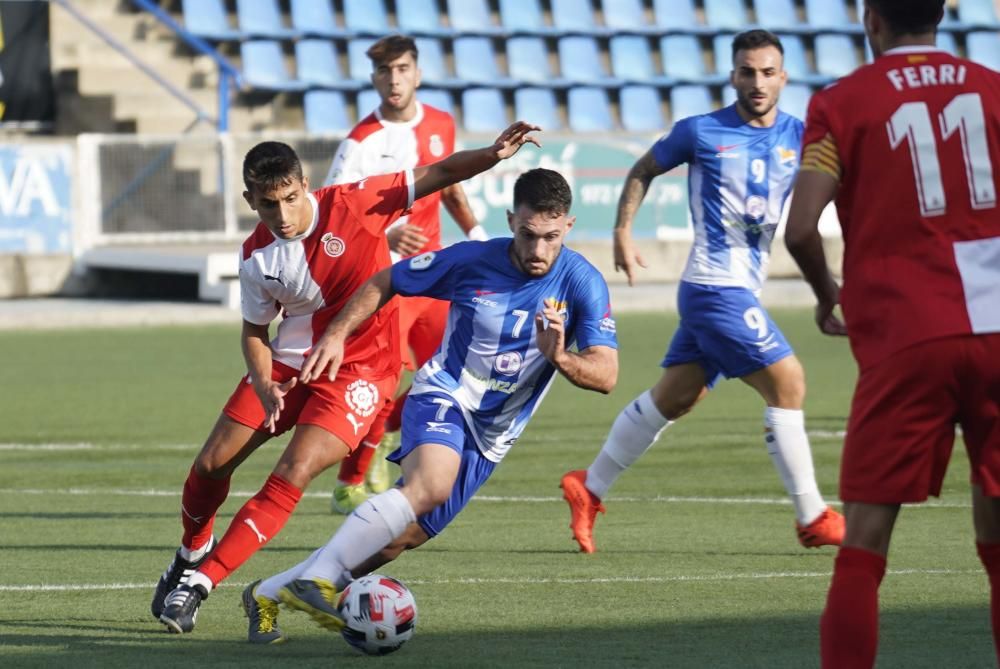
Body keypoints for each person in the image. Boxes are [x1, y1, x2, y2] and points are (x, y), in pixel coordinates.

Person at [152, 120, 542, 636]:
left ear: (305, 185)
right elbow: (254, 332)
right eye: (270, 205)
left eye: (291, 199)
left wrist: (494, 154)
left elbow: (441, 171)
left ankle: (200, 584)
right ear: (251, 200)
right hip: (289, 366)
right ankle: (190, 550)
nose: (283, 215)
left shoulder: (359, 201)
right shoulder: (256, 256)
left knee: (293, 471)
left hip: (362, 371)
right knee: (209, 466)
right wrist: (266, 382)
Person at [242, 168, 619, 642]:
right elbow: (388, 279)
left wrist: (558, 355)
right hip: (445, 394)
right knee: (431, 485)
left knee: (398, 540)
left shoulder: (583, 282)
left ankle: (267, 593)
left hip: (493, 437)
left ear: (568, 226)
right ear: (510, 221)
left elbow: (606, 376)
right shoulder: (471, 261)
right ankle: (319, 577)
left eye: (549, 237)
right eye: (527, 234)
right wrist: (336, 333)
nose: (537, 250)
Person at [560, 29, 845, 554]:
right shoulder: (702, 132)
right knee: (789, 384)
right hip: (715, 288)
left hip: (737, 291)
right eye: (746, 71)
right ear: (731, 75)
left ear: (783, 76)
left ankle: (588, 485)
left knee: (677, 397)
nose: (756, 82)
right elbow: (645, 168)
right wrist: (623, 230)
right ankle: (812, 517)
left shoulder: (800, 137)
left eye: (767, 72)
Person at [783, 1, 1000, 666]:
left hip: (910, 334)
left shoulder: (844, 102)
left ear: (870, 18)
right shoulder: (992, 88)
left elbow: (799, 229)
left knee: (865, 544)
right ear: (940, 15)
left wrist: (829, 294)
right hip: (998, 330)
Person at [324, 35, 485, 515]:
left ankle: (387, 442)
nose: (393, 80)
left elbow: (450, 187)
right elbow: (334, 212)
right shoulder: (360, 142)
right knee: (380, 381)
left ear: (417, 72)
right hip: (387, 284)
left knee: (454, 373)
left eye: (402, 69)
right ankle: (349, 482)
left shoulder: (441, 124)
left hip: (436, 279)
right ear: (373, 78)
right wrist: (388, 235)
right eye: (384, 71)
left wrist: (478, 237)